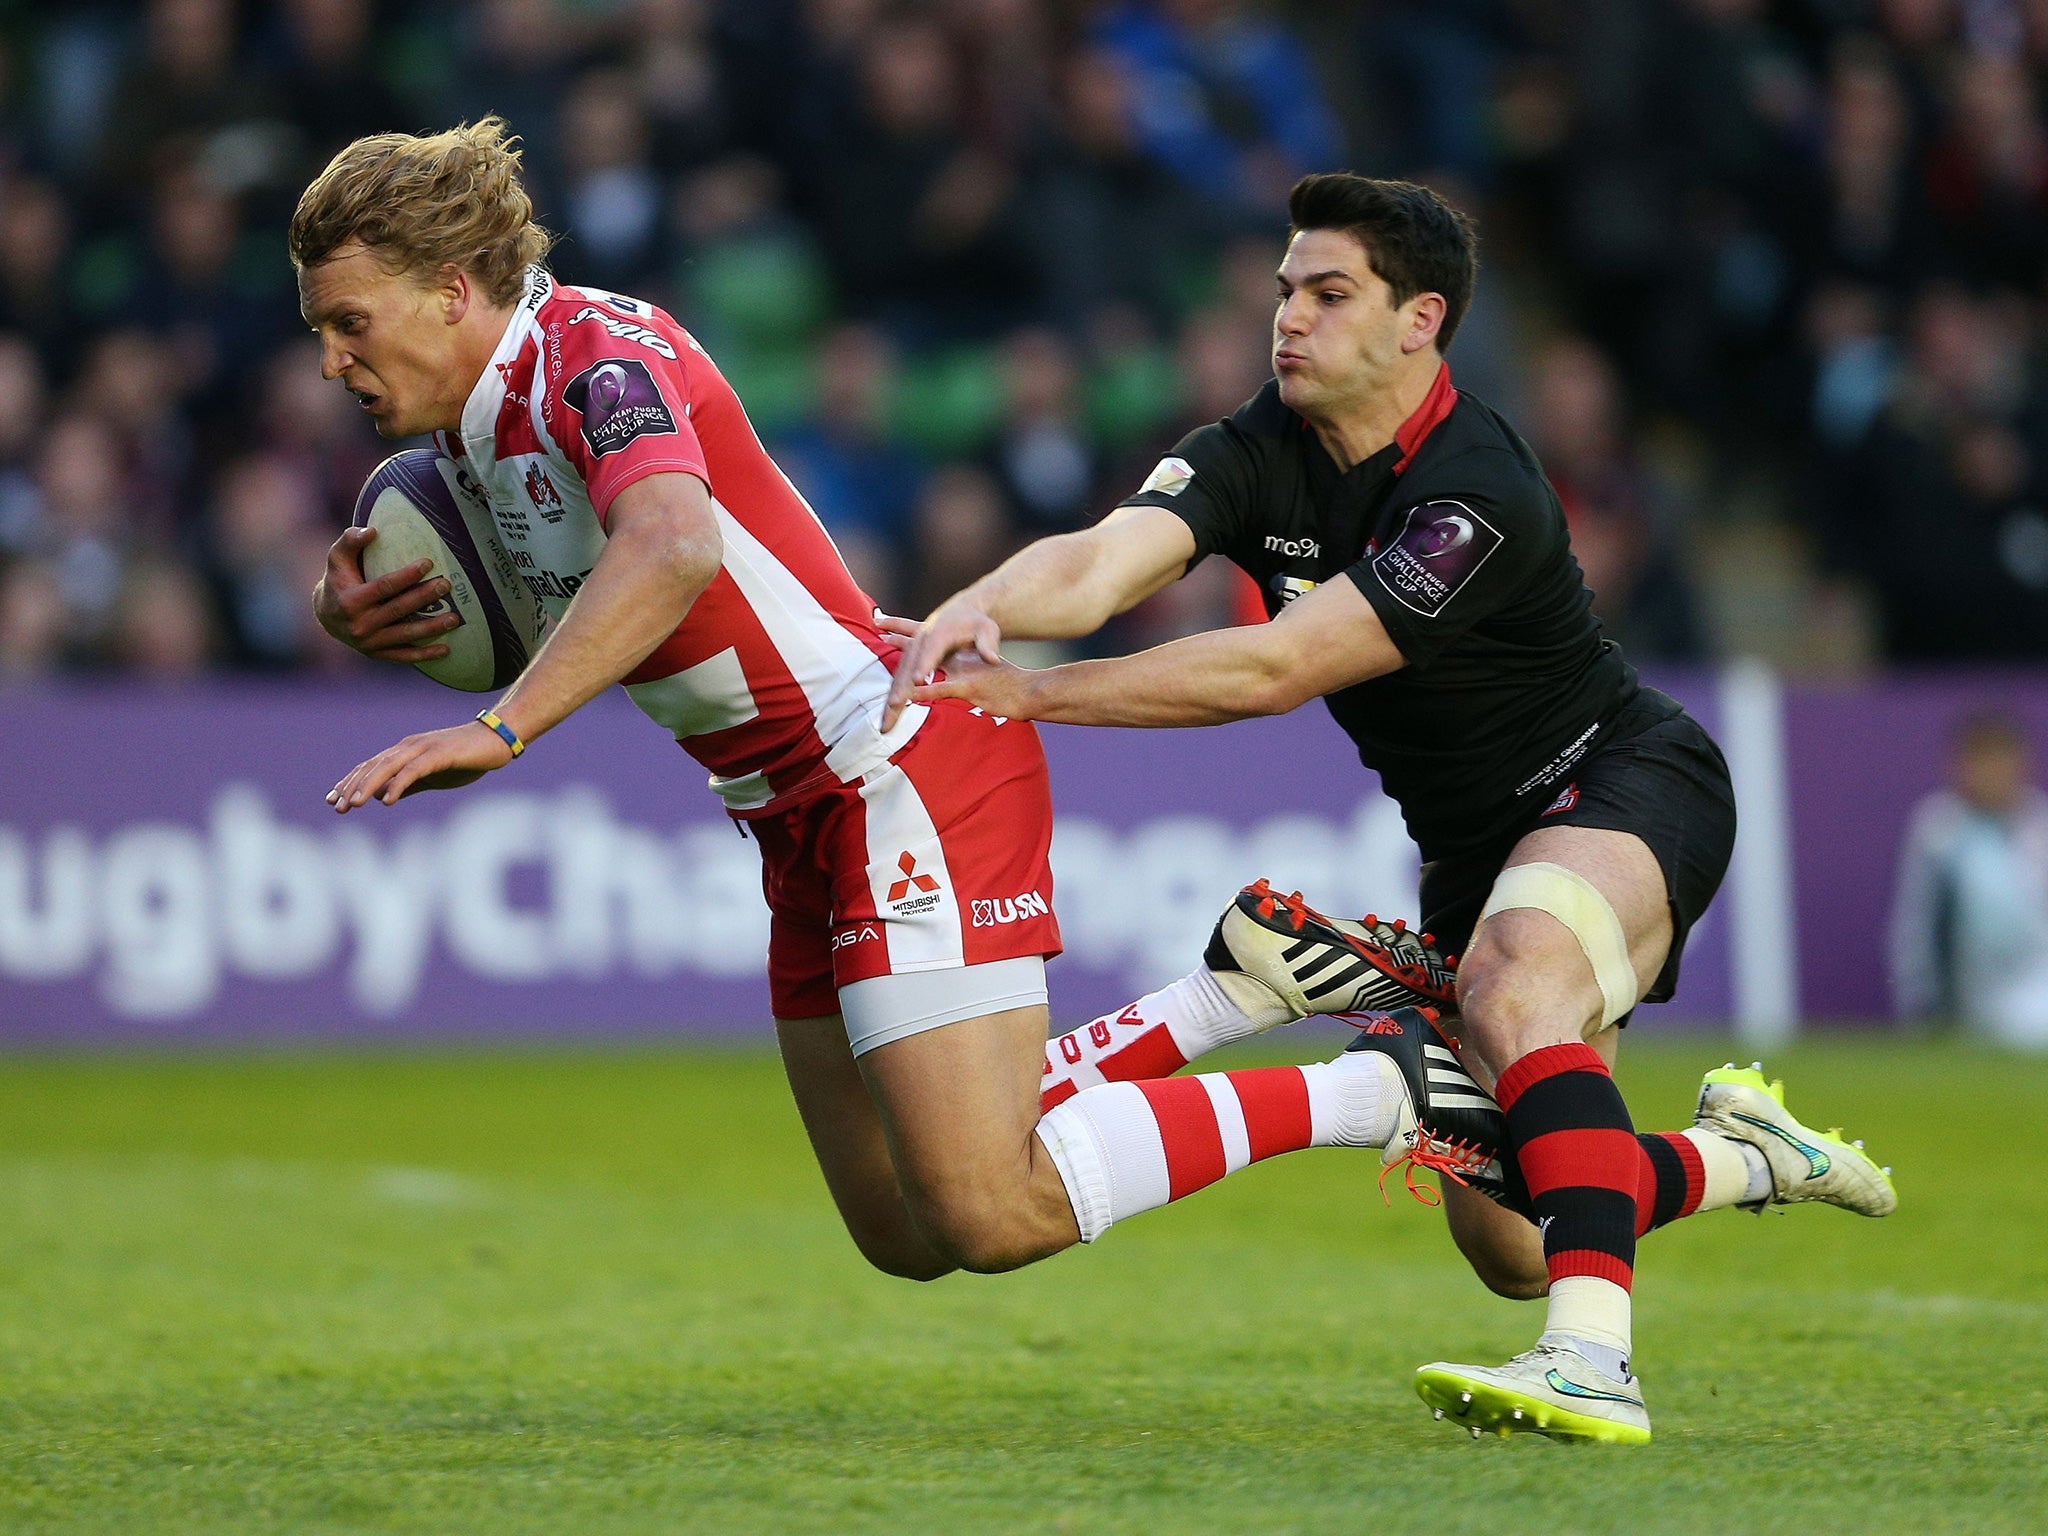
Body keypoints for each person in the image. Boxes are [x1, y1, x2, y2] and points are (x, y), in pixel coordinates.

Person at [293, 122, 1463, 1306]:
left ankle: (1378, 1090)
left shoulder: (592, 359)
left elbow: (673, 547)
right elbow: (575, 598)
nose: (333, 361)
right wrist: (361, 619)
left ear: (449, 293)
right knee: (906, 1230)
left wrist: (501, 729)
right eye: (321, 332)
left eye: (351, 323)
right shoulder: (468, 435)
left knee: (989, 1209)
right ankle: (1232, 994)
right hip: (788, 813)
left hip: (893, 764)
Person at [886, 173, 1897, 1444]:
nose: (1287, 321)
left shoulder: (1477, 492)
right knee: (1523, 1236)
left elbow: (1275, 668)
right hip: (1473, 854)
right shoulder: (1258, 446)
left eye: (1327, 295)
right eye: (1282, 294)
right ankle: (1750, 1155)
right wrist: (986, 603)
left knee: (1514, 986)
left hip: (1623, 780)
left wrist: (1030, 698)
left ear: (1419, 321)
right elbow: (1100, 556)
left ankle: (1592, 1368)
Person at [1890, 712, 2048, 1047]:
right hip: (1970, 994)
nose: (1993, 773)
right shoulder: (1939, 829)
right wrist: (1923, 1001)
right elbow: (1916, 924)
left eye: (2002, 759)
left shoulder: (2040, 823)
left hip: (2038, 984)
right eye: (1982, 760)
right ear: (1961, 766)